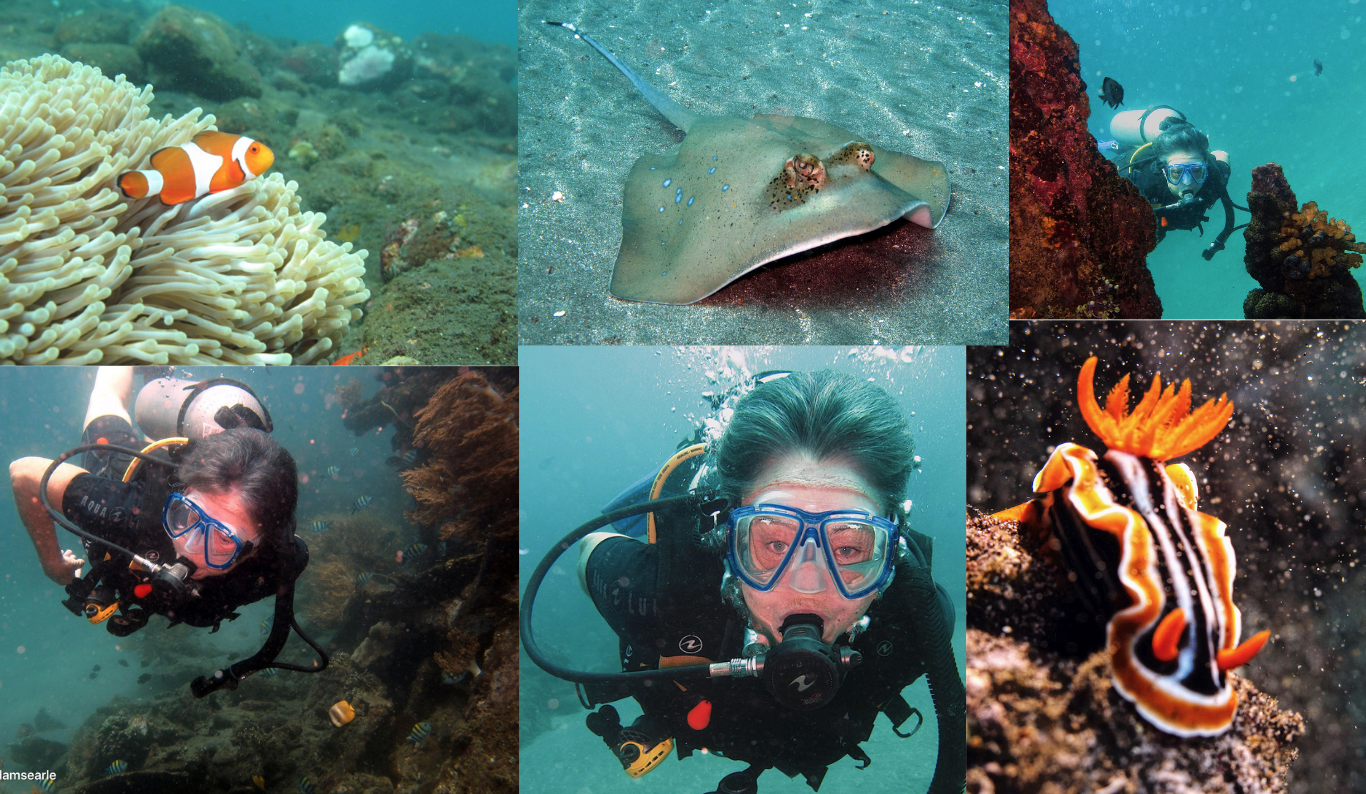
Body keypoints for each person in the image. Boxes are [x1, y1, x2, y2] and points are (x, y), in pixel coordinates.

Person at [527, 371, 964, 794]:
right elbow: (591, 547)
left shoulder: (917, 625)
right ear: (728, 545)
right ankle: (700, 461)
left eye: (848, 548)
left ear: (889, 554)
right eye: (774, 542)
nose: (807, 585)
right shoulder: (656, 596)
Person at [8, 368, 326, 696]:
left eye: (221, 538)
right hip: (136, 479)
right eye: (185, 515)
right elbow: (24, 474)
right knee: (106, 399)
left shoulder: (277, 564)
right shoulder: (132, 511)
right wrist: (52, 564)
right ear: (183, 492)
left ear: (256, 549)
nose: (187, 547)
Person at [1106, 107, 1244, 260]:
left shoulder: (1214, 180)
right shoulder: (1138, 183)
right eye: (1176, 172)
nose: (1187, 182)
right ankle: (1112, 145)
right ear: (1164, 172)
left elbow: (1223, 155)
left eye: (1197, 171)